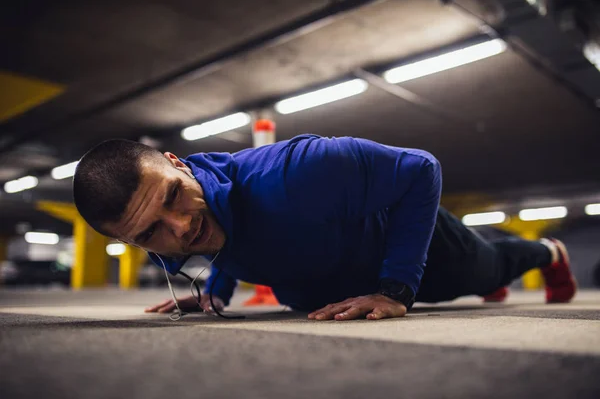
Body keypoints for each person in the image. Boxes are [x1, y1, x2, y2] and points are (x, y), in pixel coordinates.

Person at [72, 135, 576, 321]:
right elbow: (227, 240)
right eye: (149, 234)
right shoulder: (175, 229)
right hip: (332, 277)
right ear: (128, 242)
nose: (180, 229)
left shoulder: (296, 172)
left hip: (413, 252)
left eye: (173, 197)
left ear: (179, 163)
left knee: (488, 272)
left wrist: (397, 286)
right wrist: (215, 294)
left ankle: (548, 251)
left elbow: (422, 167)